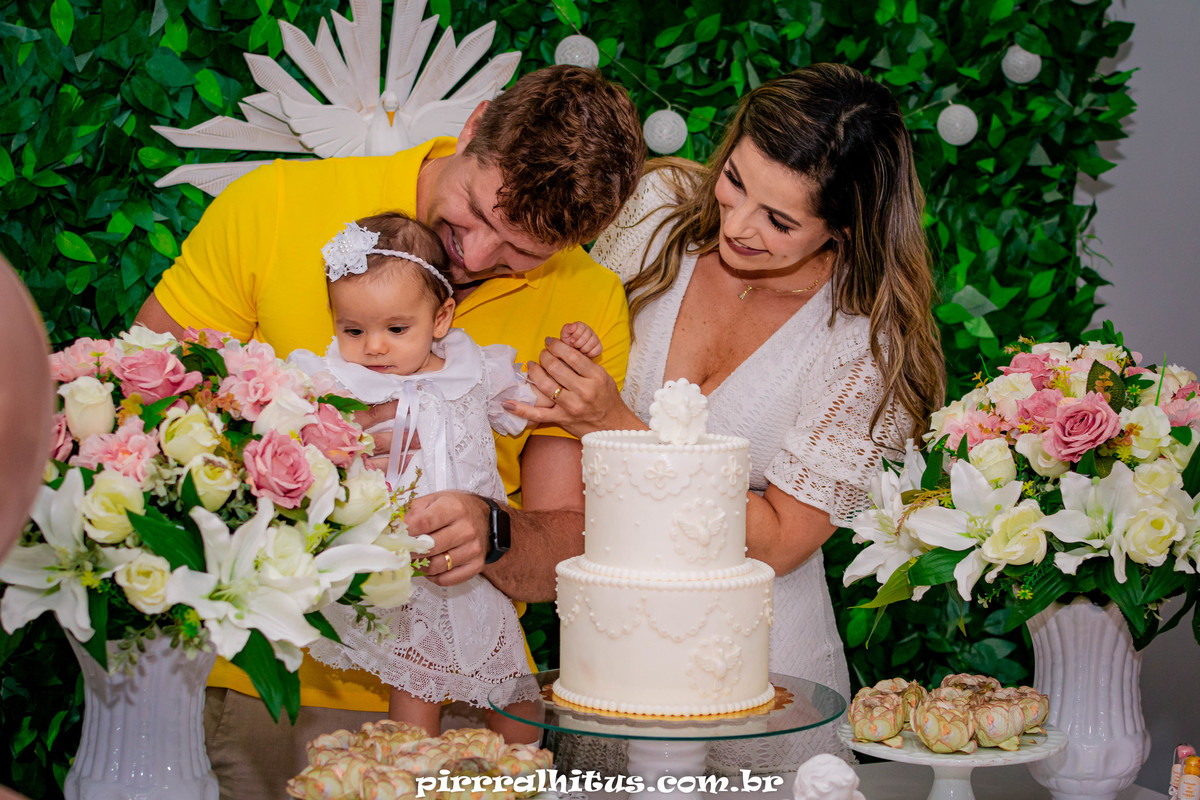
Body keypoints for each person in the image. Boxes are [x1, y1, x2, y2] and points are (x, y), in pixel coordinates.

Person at [134, 65, 644, 798]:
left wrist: (492, 531)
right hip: (271, 691)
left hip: (468, 699)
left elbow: (564, 541)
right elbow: (141, 413)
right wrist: (305, 457)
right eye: (473, 215)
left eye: (521, 254)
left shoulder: (585, 299)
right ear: (471, 126)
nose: (473, 258)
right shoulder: (276, 207)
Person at [509, 63, 946, 772]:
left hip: (764, 677)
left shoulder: (864, 344)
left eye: (779, 221)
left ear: (842, 226)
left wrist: (614, 424)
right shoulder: (652, 213)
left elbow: (778, 540)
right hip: (613, 657)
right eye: (736, 181)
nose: (738, 227)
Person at [291, 212, 601, 743]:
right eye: (352, 330)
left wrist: (570, 358)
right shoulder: (337, 382)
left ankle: (526, 774)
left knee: (514, 687)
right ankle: (409, 777)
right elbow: (298, 444)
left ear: (440, 319)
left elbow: (536, 404)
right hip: (400, 567)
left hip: (477, 558)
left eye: (395, 329)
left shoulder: (475, 368)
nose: (373, 347)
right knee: (416, 687)